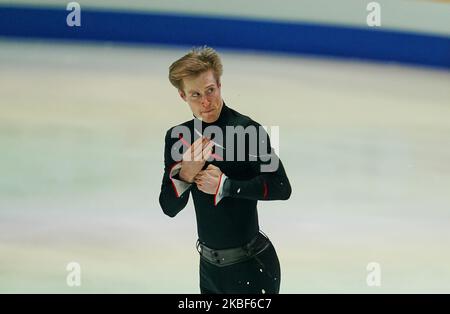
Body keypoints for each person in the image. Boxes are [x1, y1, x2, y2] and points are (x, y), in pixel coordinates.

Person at [159, 46, 292, 294]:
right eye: (195, 94)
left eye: (210, 90)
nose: (206, 102)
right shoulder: (180, 138)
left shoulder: (249, 131)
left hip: (253, 267)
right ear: (182, 96)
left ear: (219, 84)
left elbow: (282, 187)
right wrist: (185, 175)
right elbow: (169, 207)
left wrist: (227, 186)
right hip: (210, 271)